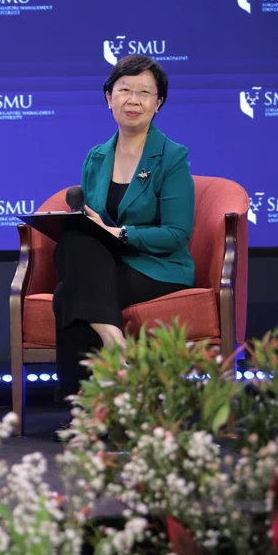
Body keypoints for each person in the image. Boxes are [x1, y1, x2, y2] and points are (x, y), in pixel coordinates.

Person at [53, 54, 195, 408]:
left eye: (145, 93)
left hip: (159, 266)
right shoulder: (96, 157)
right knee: (73, 238)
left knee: (67, 294)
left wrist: (121, 235)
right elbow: (93, 224)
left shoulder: (172, 157)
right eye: (125, 90)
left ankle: (83, 412)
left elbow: (177, 233)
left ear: (158, 103)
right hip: (109, 262)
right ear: (108, 98)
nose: (133, 100)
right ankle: (117, 350)